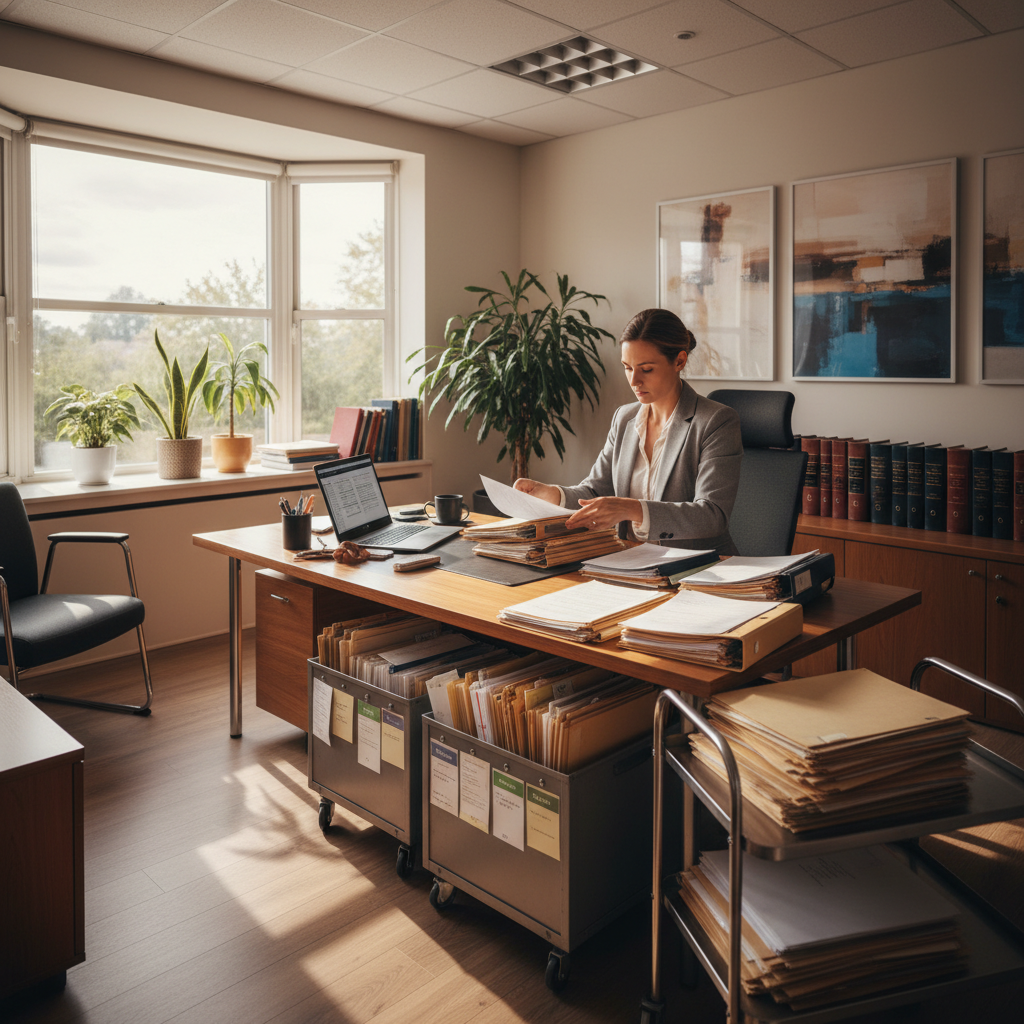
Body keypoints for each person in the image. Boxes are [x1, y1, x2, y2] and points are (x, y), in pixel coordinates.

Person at [514, 308, 742, 555]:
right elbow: (595, 491)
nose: (634, 381)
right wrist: (553, 494)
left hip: (700, 567)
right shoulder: (625, 418)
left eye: (646, 369)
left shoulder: (715, 421)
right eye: (627, 367)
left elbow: (712, 515)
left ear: (679, 361)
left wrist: (632, 509)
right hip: (631, 560)